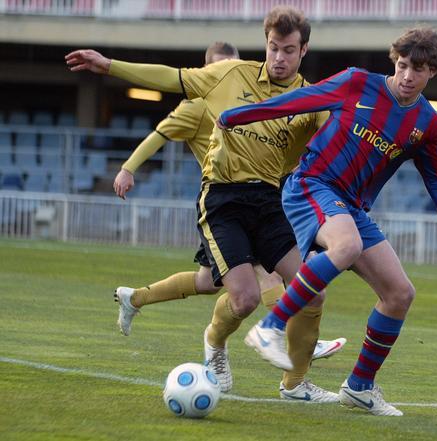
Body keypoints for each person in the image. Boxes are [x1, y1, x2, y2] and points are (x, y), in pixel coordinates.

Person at [65, 6, 342, 402]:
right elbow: (170, 77)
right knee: (243, 297)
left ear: (304, 51)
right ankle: (215, 342)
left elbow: (341, 136)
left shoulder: (311, 98)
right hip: (223, 198)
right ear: (266, 44)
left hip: (269, 199)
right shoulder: (230, 74)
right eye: (273, 48)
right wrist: (109, 66)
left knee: (309, 290)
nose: (279, 58)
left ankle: (296, 385)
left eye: (289, 50)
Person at [217, 27, 437, 416]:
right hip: (311, 184)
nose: (408, 76)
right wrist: (236, 116)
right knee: (347, 245)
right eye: (403, 65)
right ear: (394, 62)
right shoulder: (356, 83)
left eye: (419, 69)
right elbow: (297, 101)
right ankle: (271, 328)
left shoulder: (429, 124)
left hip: (351, 206)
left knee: (399, 294)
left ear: (433, 73)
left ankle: (360, 386)